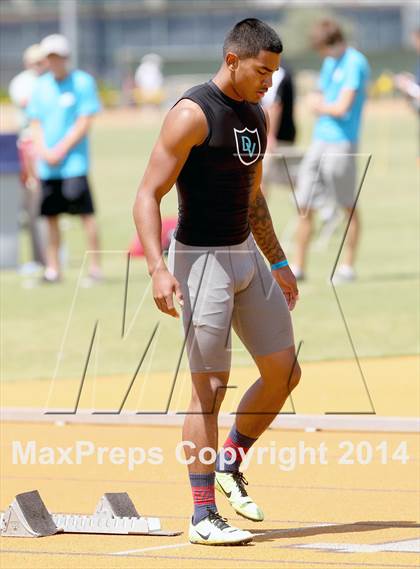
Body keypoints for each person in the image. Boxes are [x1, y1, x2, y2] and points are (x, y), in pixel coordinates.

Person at [133, 18, 300, 546]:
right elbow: (146, 195)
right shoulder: (191, 114)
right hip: (199, 261)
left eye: (274, 73)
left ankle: (230, 461)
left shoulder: (255, 115)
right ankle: (203, 515)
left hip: (246, 256)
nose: (268, 82)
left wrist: (277, 261)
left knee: (284, 373)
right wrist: (158, 268)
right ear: (232, 59)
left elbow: (253, 198)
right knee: (208, 390)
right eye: (261, 71)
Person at [292, 19, 370, 283]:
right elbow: (319, 96)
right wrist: (322, 103)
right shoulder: (329, 63)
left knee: (347, 205)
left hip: (342, 144)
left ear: (332, 42)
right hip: (319, 141)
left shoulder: (355, 62)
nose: (322, 55)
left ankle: (347, 267)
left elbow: (341, 108)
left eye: (322, 48)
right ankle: (298, 266)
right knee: (303, 204)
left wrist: (320, 105)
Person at [27, 34, 102, 283]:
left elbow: (84, 120)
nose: (54, 61)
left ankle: (94, 267)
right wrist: (44, 151)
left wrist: (60, 149)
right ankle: (53, 268)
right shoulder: (40, 86)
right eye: (50, 57)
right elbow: (35, 123)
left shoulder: (82, 82)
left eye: (58, 56)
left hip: (74, 163)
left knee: (85, 215)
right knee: (50, 218)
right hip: (48, 166)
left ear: (66, 57)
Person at [9, 44, 49, 270]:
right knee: (33, 200)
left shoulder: (50, 82)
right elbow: (32, 107)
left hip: (49, 147)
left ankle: (52, 253)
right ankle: (38, 257)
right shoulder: (23, 82)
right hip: (29, 146)